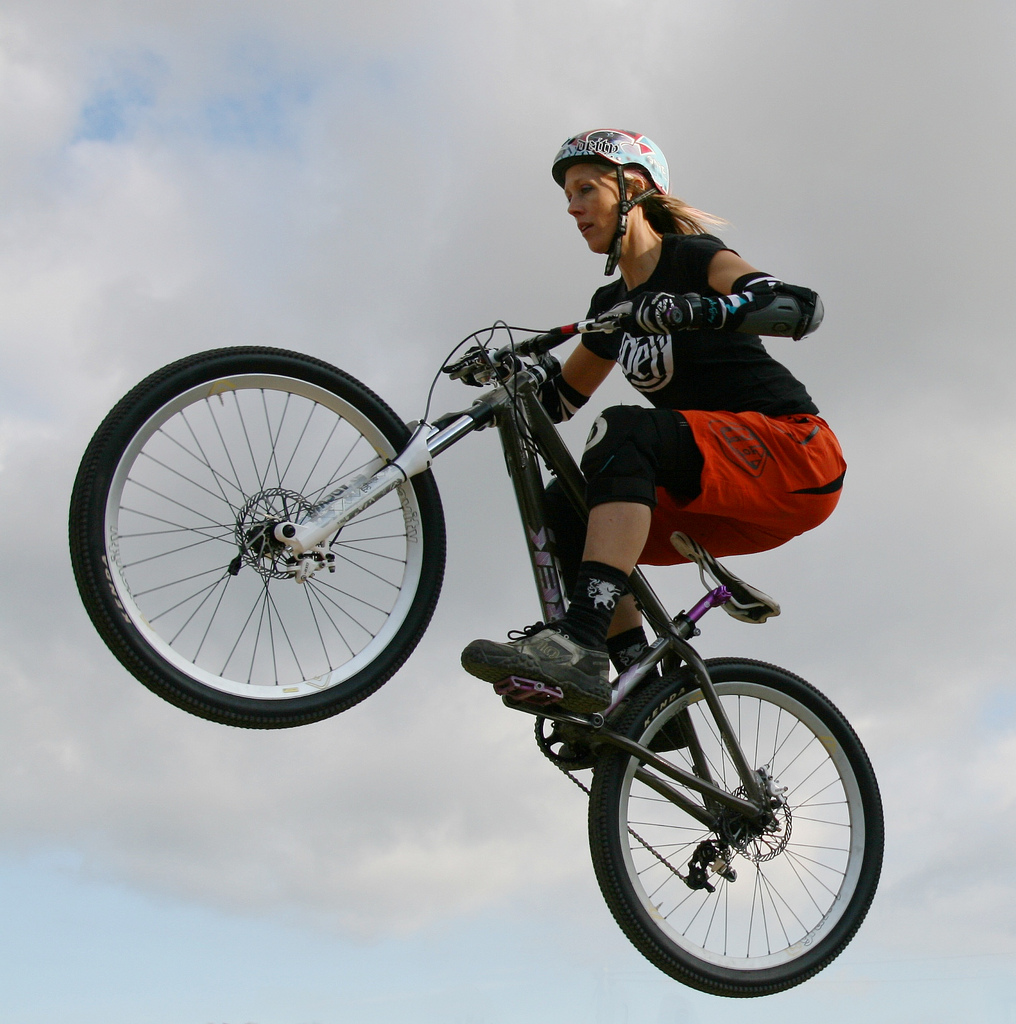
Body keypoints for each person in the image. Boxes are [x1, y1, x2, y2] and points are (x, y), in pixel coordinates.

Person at [461, 128, 845, 714]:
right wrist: (520, 381)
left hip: (795, 454)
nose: (572, 206)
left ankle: (580, 642)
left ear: (633, 187)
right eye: (568, 194)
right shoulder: (611, 306)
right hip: (720, 488)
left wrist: (695, 307)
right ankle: (637, 696)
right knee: (565, 506)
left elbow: (795, 306)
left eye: (586, 188)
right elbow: (562, 403)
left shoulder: (693, 258)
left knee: (625, 430)